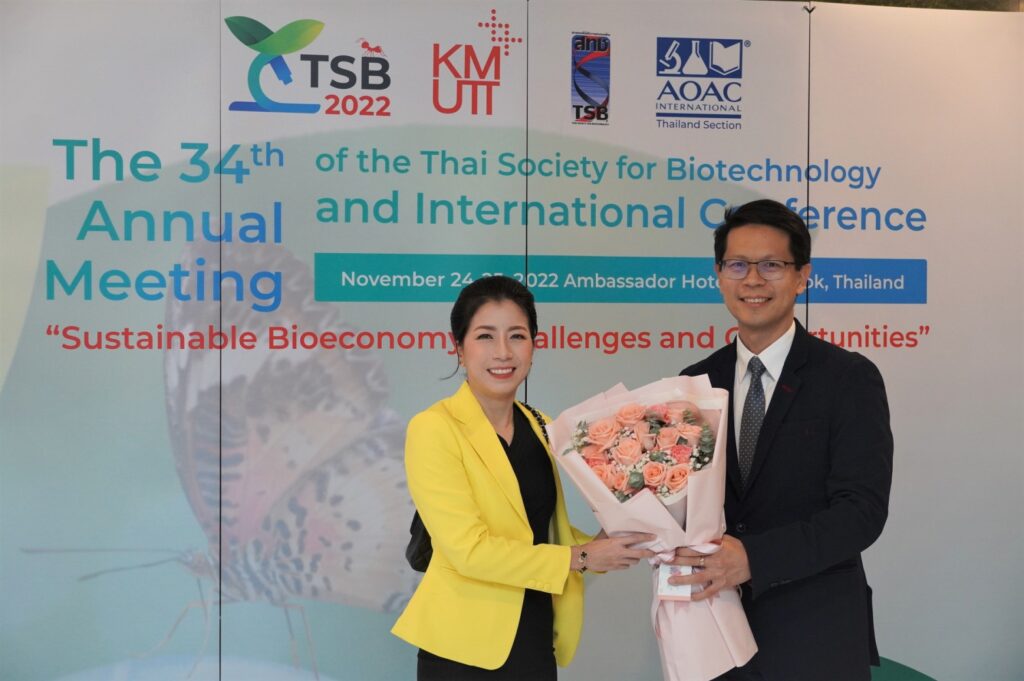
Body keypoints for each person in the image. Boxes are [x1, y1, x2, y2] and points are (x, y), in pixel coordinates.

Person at [669, 199, 894, 681]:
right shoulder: (694, 383)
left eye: (771, 265)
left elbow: (862, 512)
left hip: (815, 636)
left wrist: (754, 558)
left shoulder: (847, 378)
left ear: (802, 276)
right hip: (713, 635)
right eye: (737, 264)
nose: (752, 279)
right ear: (718, 275)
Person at [392, 275, 653, 680]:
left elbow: (545, 534)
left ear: (534, 346)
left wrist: (610, 540)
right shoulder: (434, 428)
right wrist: (581, 558)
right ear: (458, 347)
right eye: (485, 336)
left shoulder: (543, 425)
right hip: (463, 649)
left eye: (517, 336)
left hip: (535, 636)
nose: (503, 352)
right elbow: (468, 550)